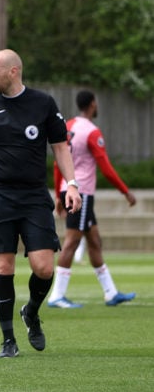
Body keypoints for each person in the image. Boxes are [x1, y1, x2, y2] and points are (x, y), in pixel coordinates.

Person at [0, 49, 82, 358]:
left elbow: (60, 147)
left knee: (43, 268)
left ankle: (31, 312)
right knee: (4, 265)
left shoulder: (43, 104)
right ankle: (8, 341)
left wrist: (72, 184)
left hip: (34, 196)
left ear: (13, 71)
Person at [47, 90, 137, 308]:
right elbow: (105, 168)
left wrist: (59, 192)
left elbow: (59, 161)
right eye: (96, 103)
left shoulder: (68, 126)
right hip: (81, 193)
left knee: (94, 241)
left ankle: (110, 293)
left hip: (67, 189)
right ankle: (57, 295)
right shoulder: (92, 132)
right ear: (92, 105)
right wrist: (125, 191)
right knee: (72, 241)